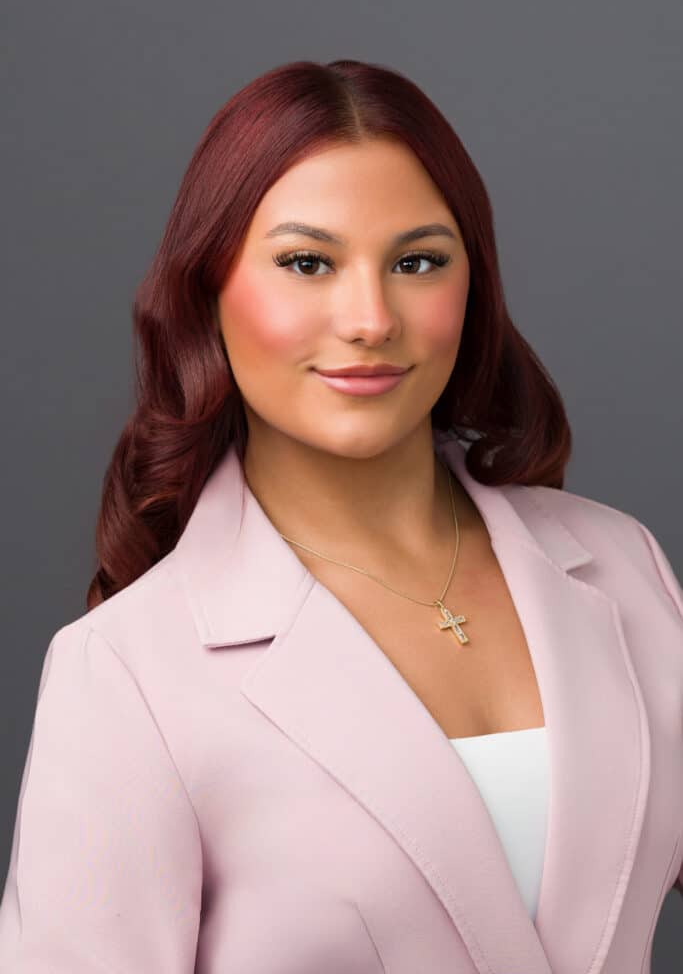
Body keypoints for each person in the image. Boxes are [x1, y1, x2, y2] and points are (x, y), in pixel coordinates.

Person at [0, 58, 681, 974]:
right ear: (208, 290)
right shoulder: (126, 670)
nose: (369, 319)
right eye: (306, 263)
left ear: (472, 285)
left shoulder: (622, 563)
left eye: (416, 262)